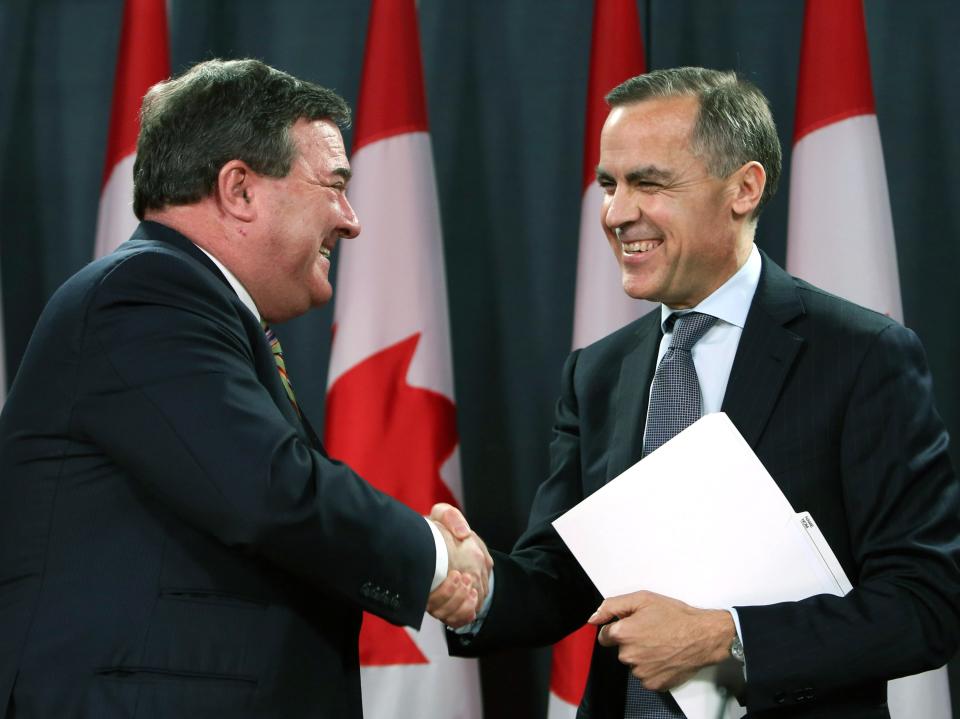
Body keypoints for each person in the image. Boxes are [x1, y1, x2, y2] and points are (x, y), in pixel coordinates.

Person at [435, 67, 960, 718]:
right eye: (609, 184)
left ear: (744, 188)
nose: (616, 213)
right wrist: (475, 585)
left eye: (648, 183)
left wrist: (727, 636)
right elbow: (564, 576)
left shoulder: (861, 356)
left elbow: (926, 601)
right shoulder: (596, 374)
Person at [0, 58, 489, 719]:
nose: (351, 220)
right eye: (334, 186)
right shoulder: (143, 296)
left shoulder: (190, 306)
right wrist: (433, 557)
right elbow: (268, 490)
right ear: (240, 190)